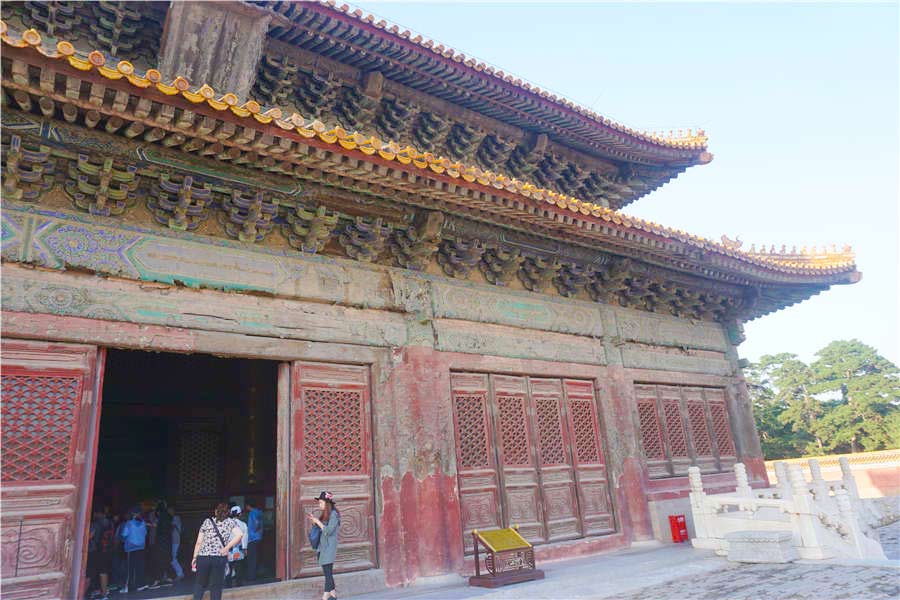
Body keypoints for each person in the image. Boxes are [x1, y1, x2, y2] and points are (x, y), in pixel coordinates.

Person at [191, 502, 244, 600]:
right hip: (219, 557)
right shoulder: (230, 522)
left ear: (216, 512)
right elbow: (240, 534)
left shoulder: (207, 521)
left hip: (203, 556)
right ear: (227, 512)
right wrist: (227, 548)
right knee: (216, 586)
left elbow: (198, 542)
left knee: (200, 584)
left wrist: (194, 557)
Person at [306, 491, 340, 600]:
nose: (319, 505)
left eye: (321, 502)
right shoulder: (325, 514)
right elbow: (321, 528)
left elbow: (329, 531)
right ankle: (333, 595)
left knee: (328, 573)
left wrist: (318, 521)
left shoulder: (334, 514)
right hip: (323, 546)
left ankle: (326, 596)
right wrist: (314, 521)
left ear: (327, 503)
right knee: (327, 572)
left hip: (329, 547)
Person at [86, 508, 113, 600]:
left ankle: (81, 594)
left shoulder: (95, 524)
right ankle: (104, 595)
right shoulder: (110, 523)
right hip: (106, 550)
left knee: (88, 574)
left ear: (97, 513)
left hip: (95, 551)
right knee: (103, 572)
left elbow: (89, 537)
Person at [119, 508, 148, 593]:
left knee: (130, 568)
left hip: (131, 548)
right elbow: (145, 534)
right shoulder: (143, 523)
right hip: (141, 547)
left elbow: (124, 534)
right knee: (140, 567)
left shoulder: (129, 523)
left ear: (133, 514)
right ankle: (140, 585)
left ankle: (128, 587)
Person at [150, 501, 173, 588]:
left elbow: (159, 530)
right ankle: (169, 579)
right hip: (167, 542)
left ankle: (157, 580)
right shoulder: (168, 517)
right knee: (167, 560)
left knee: (159, 561)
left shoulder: (161, 518)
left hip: (161, 543)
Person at [226, 505, 249, 587]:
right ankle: (239, 587)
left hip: (229, 550)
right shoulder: (243, 525)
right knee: (239, 570)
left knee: (228, 570)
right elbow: (245, 538)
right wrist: (245, 548)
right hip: (239, 550)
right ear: (240, 514)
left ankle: (227, 587)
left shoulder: (227, 523)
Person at [244, 500, 264, 581]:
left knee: (251, 558)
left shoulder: (252, 513)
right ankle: (255, 574)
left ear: (249, 506)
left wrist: (255, 529)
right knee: (256, 557)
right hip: (258, 537)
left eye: (246, 506)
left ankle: (251, 576)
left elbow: (256, 523)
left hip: (252, 538)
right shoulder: (259, 512)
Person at [170, 505, 185, 581]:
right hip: (176, 540)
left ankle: (180, 573)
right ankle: (179, 573)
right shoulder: (177, 518)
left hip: (175, 541)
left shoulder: (175, 518)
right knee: (173, 558)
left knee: (173, 558)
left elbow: (172, 527)